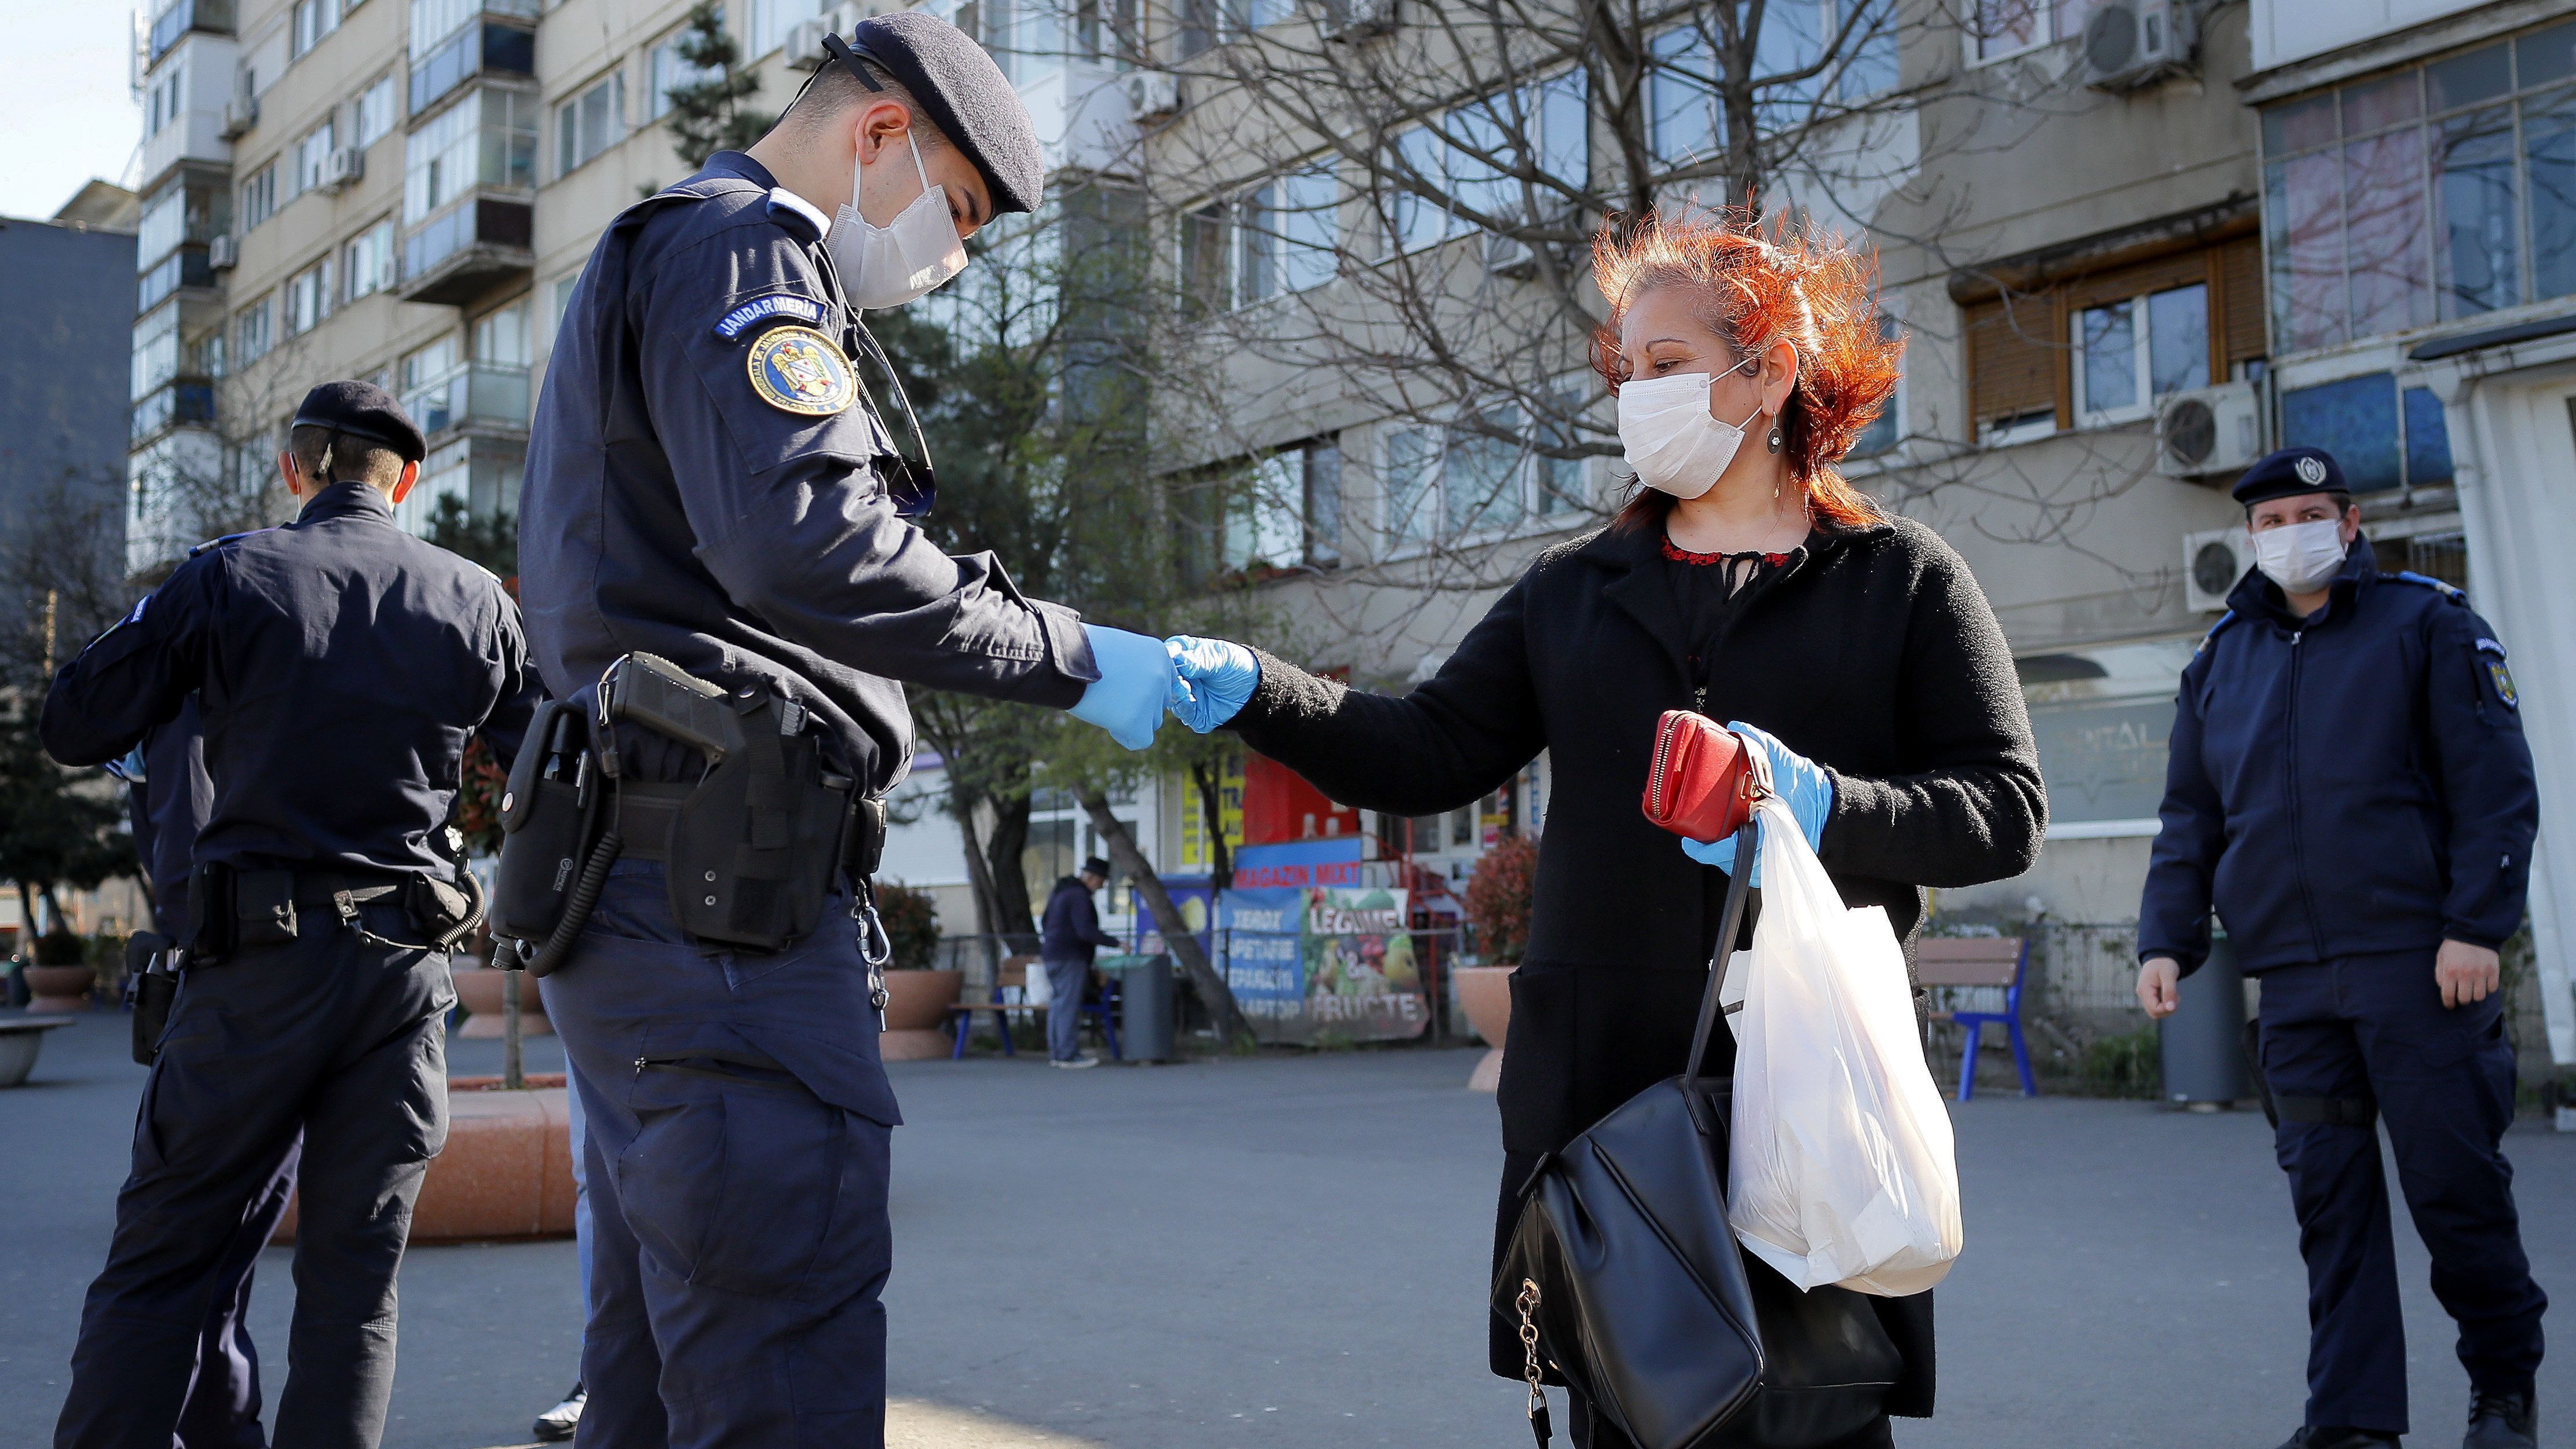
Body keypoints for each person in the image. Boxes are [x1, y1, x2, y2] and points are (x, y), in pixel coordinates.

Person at [1164, 212, 2045, 1447]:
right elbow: (1429, 752)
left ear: (1771, 369)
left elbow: (2001, 812)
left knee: (1814, 1412)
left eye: (1669, 365)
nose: (1638, 396)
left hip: (1801, 1080)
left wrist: (1819, 805)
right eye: (1625, 373)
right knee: (1631, 1413)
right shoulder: (1571, 589)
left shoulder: (1898, 579)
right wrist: (1267, 688)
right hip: (1601, 1098)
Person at [515, 13, 1170, 1444]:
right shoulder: (744, 249)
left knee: (655, 1373)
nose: (953, 249)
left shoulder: (681, 252)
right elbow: (811, 545)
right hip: (721, 914)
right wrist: (1079, 654)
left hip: (660, 889)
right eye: (960, 210)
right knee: (778, 1361)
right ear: (881, 133)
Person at [42, 380, 535, 1449]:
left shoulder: (229, 574)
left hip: (254, 971)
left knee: (165, 1260)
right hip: (401, 980)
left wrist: (177, 641)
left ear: (293, 470)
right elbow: (560, 760)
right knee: (356, 1285)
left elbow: (76, 721)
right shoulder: (473, 596)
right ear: (405, 482)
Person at [2135, 446, 2544, 1449]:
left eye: (2308, 514)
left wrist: (2472, 927)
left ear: (2349, 524)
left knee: (2454, 1194)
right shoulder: (2220, 659)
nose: (2289, 534)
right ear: (2249, 538)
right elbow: (2191, 818)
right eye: (2269, 522)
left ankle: (2502, 1392)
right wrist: (2164, 941)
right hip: (2296, 986)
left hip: (2420, 970)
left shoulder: (2426, 626)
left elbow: (2492, 788)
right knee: (2332, 1210)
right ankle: (2352, 1422)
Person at [111, 697, 306, 1449]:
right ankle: (222, 1427)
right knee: (212, 1261)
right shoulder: (203, 701)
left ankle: (220, 1427)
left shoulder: (187, 700)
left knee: (201, 1257)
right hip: (236, 997)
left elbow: (189, 871)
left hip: (223, 1000)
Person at [1039, 857, 1122, 1069]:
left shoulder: (1061, 892)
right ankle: (1068, 1055)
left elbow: (1045, 921)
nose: (1102, 886)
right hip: (1071, 956)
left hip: (1052, 955)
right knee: (1068, 1006)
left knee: (1058, 1005)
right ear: (1092, 878)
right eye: (1101, 881)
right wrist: (1116, 943)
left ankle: (1057, 1052)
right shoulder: (1079, 896)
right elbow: (1085, 931)